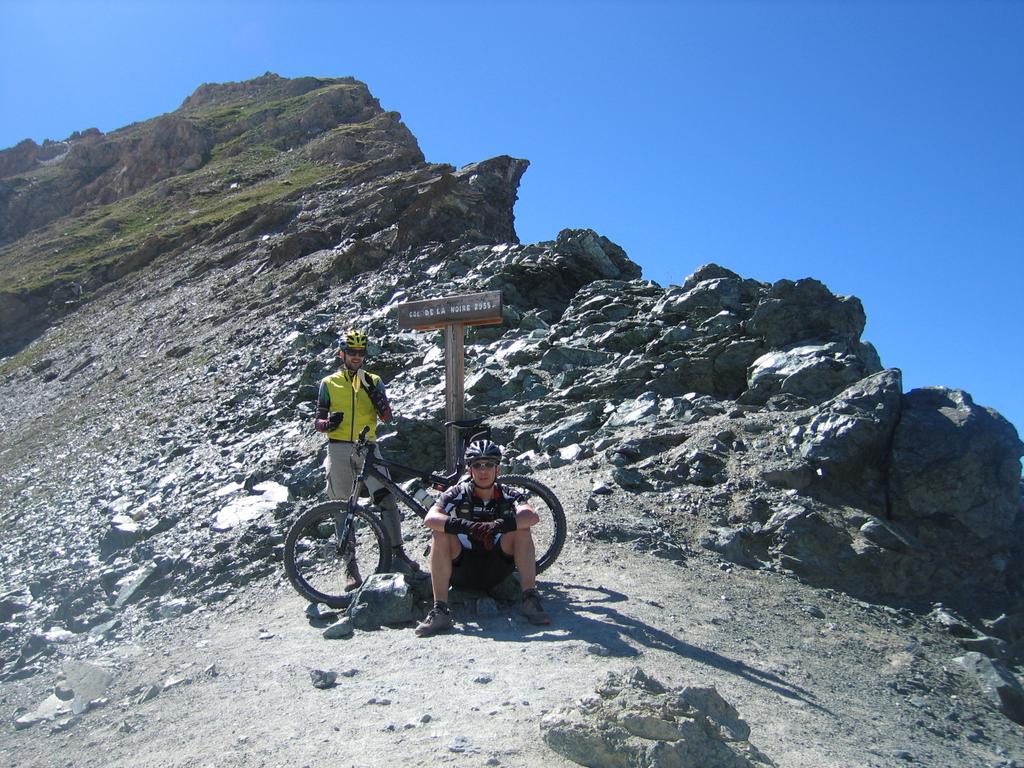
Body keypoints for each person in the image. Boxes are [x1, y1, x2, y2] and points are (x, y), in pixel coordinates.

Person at [313, 329, 421, 590]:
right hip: (338, 448)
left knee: (386, 498)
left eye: (361, 352)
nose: (357, 357)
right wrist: (328, 423)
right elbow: (317, 421)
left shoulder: (374, 380)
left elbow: (386, 418)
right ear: (342, 354)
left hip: (369, 448)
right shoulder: (329, 383)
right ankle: (350, 568)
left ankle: (398, 554)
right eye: (352, 352)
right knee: (342, 506)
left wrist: (375, 395)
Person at [415, 439, 550, 636]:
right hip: (462, 569)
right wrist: (467, 526)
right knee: (439, 534)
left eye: (489, 465)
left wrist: (498, 525)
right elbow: (430, 518)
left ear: (498, 470)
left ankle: (530, 599)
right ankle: (440, 611)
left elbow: (532, 516)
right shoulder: (457, 493)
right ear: (470, 470)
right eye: (477, 465)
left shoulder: (507, 494)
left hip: (496, 569)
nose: (483, 470)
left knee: (522, 530)